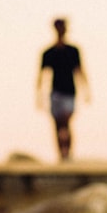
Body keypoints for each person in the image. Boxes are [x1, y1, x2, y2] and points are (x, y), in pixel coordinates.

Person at [36, 18, 90, 160]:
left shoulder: (73, 51)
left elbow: (80, 71)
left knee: (66, 122)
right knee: (57, 125)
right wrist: (39, 96)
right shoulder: (49, 52)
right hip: (55, 93)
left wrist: (86, 90)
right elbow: (41, 75)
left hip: (69, 93)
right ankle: (62, 154)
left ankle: (68, 152)